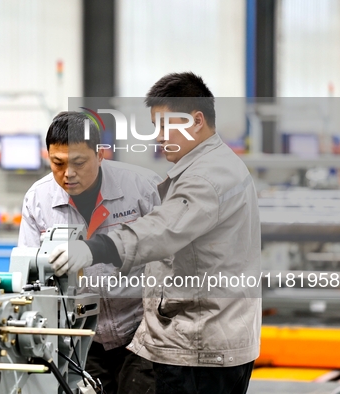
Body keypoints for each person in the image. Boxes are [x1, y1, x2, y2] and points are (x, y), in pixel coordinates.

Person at [49, 73, 262, 394]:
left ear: (196, 120)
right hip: (207, 339)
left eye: (164, 126)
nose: (158, 137)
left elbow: (161, 230)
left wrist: (95, 249)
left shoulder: (206, 176)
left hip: (199, 346)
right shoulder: (213, 165)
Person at [18, 111, 162, 394]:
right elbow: (29, 276)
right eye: (57, 163)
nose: (68, 174)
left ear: (100, 155)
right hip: (81, 337)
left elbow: (173, 253)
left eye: (79, 163)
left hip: (141, 332)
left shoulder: (143, 189)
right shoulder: (38, 200)